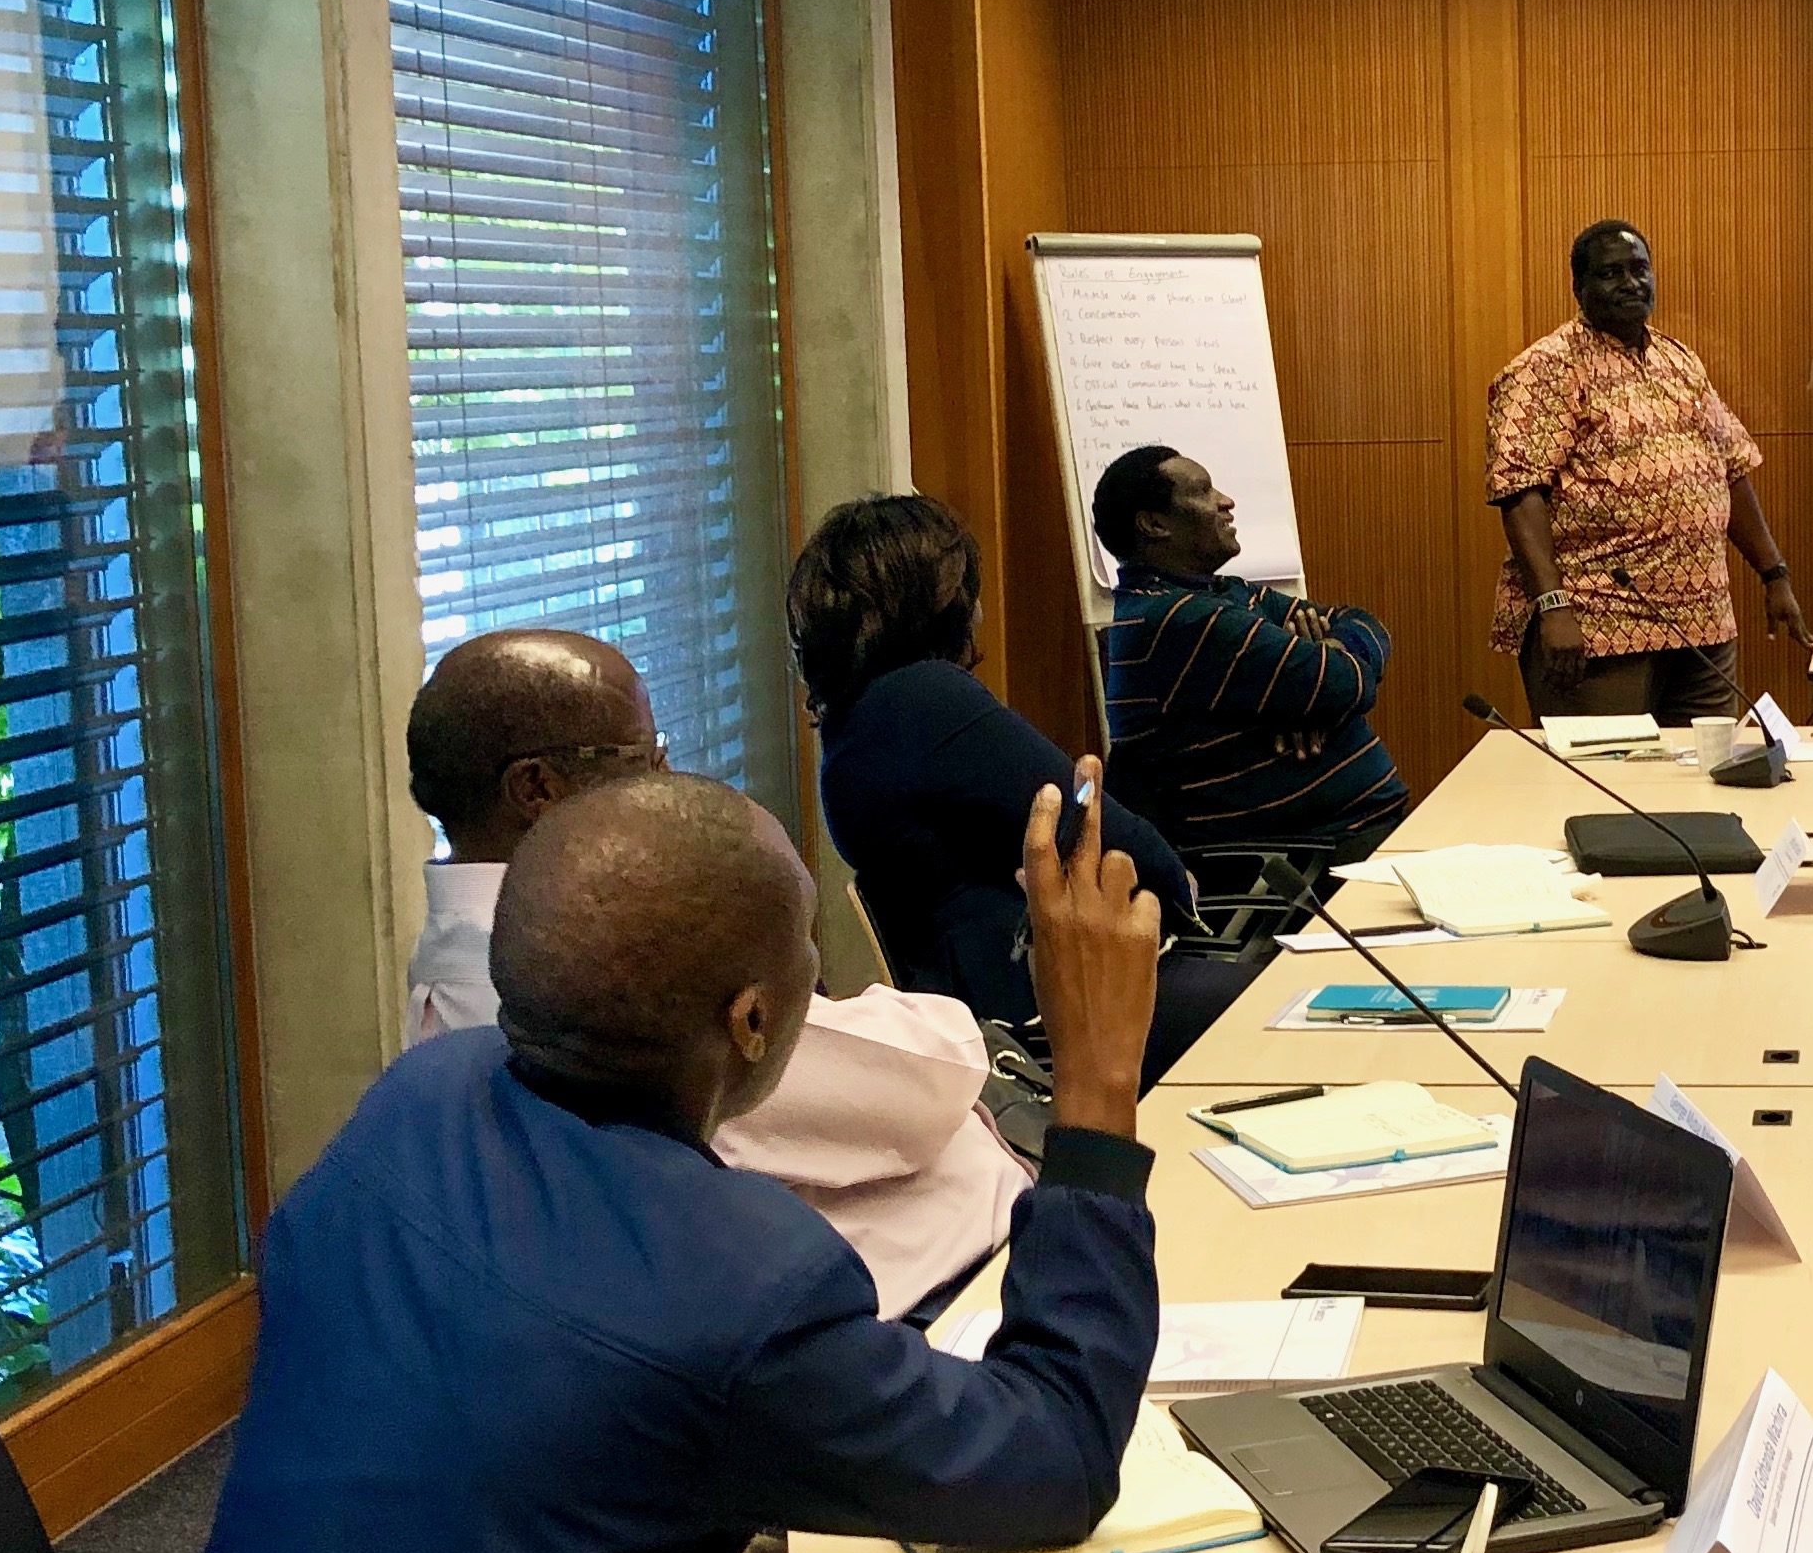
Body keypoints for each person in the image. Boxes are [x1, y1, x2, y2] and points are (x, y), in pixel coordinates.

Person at [146, 767, 1160, 1553]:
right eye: (808, 950)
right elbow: (1059, 1457)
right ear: (754, 1022)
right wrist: (1096, 1085)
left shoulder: (418, 1098)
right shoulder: (737, 1293)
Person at [402, 627, 1024, 1319]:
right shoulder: (583, 967)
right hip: (919, 1295)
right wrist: (959, 1033)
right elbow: (913, 1089)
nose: (666, 780)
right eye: (642, 758)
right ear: (537, 788)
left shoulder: (454, 960)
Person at [791, 490, 1258, 1081]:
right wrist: (1182, 892)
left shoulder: (855, 720)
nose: (978, 608)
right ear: (933, 601)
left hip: (993, 1000)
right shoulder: (925, 698)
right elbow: (1087, 813)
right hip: (1047, 1009)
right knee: (1287, 1002)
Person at [1486, 219, 1813, 722]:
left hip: (1702, 622)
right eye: (1610, 273)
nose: (1629, 283)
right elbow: (1518, 491)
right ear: (1578, 287)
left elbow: (1730, 470)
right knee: (1607, 768)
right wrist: (1553, 605)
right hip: (1599, 619)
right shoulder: (1545, 368)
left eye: (1639, 269)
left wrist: (1775, 575)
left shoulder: (1680, 362)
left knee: (1708, 765)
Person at [1093, 443, 1407, 864]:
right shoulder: (1180, 620)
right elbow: (1348, 683)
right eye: (1203, 492)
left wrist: (1320, 669)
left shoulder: (1224, 592)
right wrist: (1320, 683)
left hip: (1350, 836)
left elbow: (1366, 624)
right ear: (1155, 524)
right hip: (1307, 860)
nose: (1226, 501)